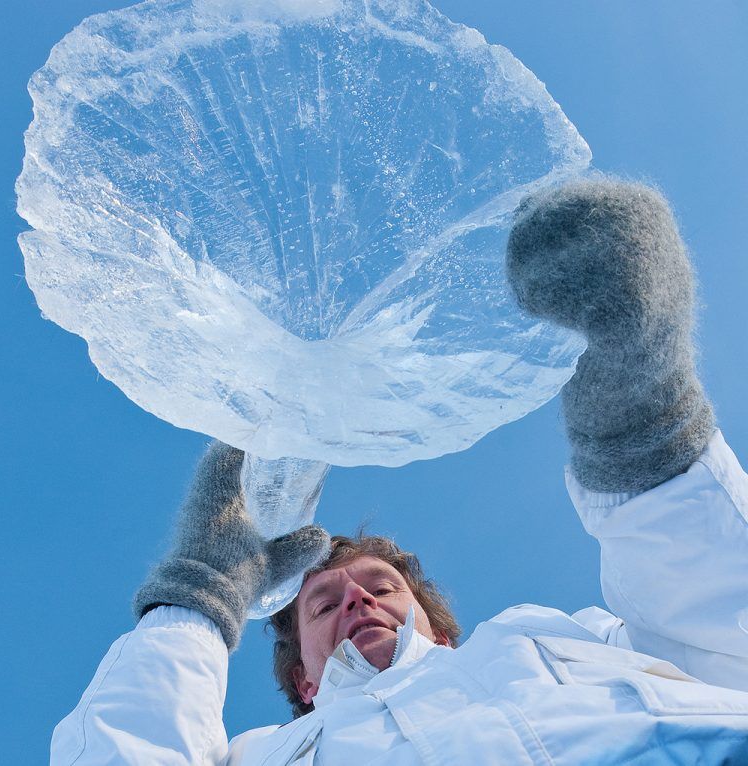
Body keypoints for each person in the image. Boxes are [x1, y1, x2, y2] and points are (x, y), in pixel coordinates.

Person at [50, 179, 748, 765]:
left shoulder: (562, 639)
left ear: (440, 632)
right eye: (324, 605)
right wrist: (201, 595)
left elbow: (716, 621)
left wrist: (641, 417)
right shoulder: (262, 754)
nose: (358, 600)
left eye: (382, 587)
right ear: (304, 682)